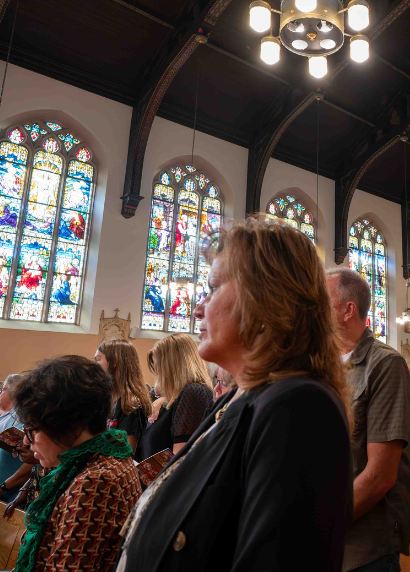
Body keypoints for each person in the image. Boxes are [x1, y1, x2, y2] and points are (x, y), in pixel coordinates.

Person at [120, 218, 352, 572]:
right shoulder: (239, 398)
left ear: (266, 301)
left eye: (212, 289)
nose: (197, 308)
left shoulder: (300, 407)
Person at [10, 355, 141, 572]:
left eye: (32, 428)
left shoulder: (95, 481)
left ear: (67, 424)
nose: (26, 440)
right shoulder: (102, 458)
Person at [326, 266, 410, 572]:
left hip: (362, 549)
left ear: (348, 310)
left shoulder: (385, 364)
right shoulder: (320, 365)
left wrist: (322, 524)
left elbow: (379, 476)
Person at [137, 333, 215, 459]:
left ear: (173, 367)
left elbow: (180, 458)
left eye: (159, 368)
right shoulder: (177, 397)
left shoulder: (194, 392)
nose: (158, 375)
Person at [95, 340, 152, 453]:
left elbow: (126, 454)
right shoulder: (106, 398)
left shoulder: (131, 404)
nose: (95, 365)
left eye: (98, 359)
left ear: (114, 361)